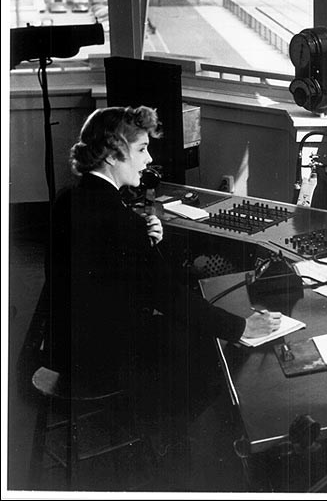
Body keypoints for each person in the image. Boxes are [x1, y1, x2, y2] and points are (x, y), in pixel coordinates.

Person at [45, 105, 281, 444]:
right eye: (141, 149)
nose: (148, 159)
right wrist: (241, 327)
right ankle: (168, 445)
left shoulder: (69, 198)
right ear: (112, 156)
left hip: (66, 345)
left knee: (187, 329)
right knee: (207, 349)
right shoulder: (119, 220)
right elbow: (166, 295)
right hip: (100, 359)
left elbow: (114, 272)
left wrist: (146, 239)